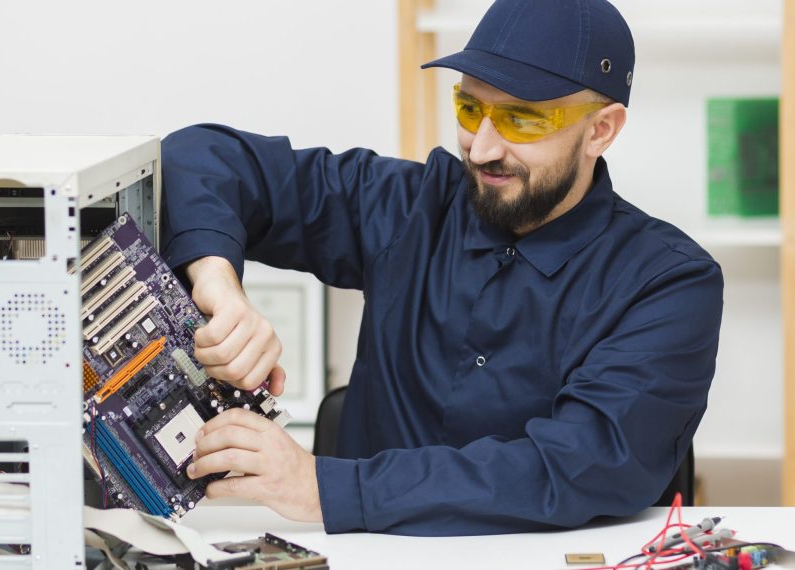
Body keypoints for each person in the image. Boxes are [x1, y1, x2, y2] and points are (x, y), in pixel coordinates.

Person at [158, 0, 724, 536]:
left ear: (601, 129)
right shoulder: (406, 206)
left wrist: (324, 487)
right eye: (470, 108)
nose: (480, 149)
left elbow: (583, 464)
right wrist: (218, 284)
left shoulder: (668, 284)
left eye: (522, 121)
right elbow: (198, 157)